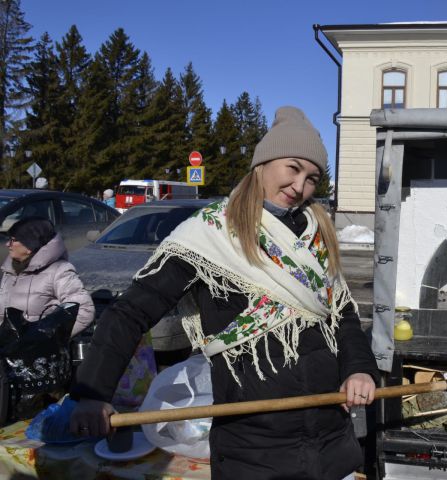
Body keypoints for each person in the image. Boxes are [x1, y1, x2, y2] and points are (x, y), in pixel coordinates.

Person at [70, 106, 379, 479]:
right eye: (293, 168)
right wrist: (92, 393)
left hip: (331, 443)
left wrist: (359, 369)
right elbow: (129, 312)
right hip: (253, 451)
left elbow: (342, 315)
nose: (300, 187)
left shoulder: (315, 236)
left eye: (312, 178)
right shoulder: (210, 236)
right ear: (262, 164)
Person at [0, 217, 95, 337]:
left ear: (29, 245)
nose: (8, 244)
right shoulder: (10, 269)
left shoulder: (59, 271)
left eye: (13, 240)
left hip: (35, 353)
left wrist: (49, 340)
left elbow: (84, 310)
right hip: (6, 349)